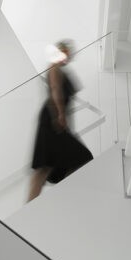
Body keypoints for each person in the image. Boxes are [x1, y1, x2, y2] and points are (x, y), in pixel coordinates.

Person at [28, 40, 93, 201]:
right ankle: (30, 206)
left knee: (59, 162)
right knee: (49, 164)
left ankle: (52, 200)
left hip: (54, 117)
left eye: (68, 53)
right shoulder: (54, 67)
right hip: (52, 116)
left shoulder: (59, 69)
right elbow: (56, 90)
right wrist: (61, 115)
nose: (67, 56)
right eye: (64, 52)